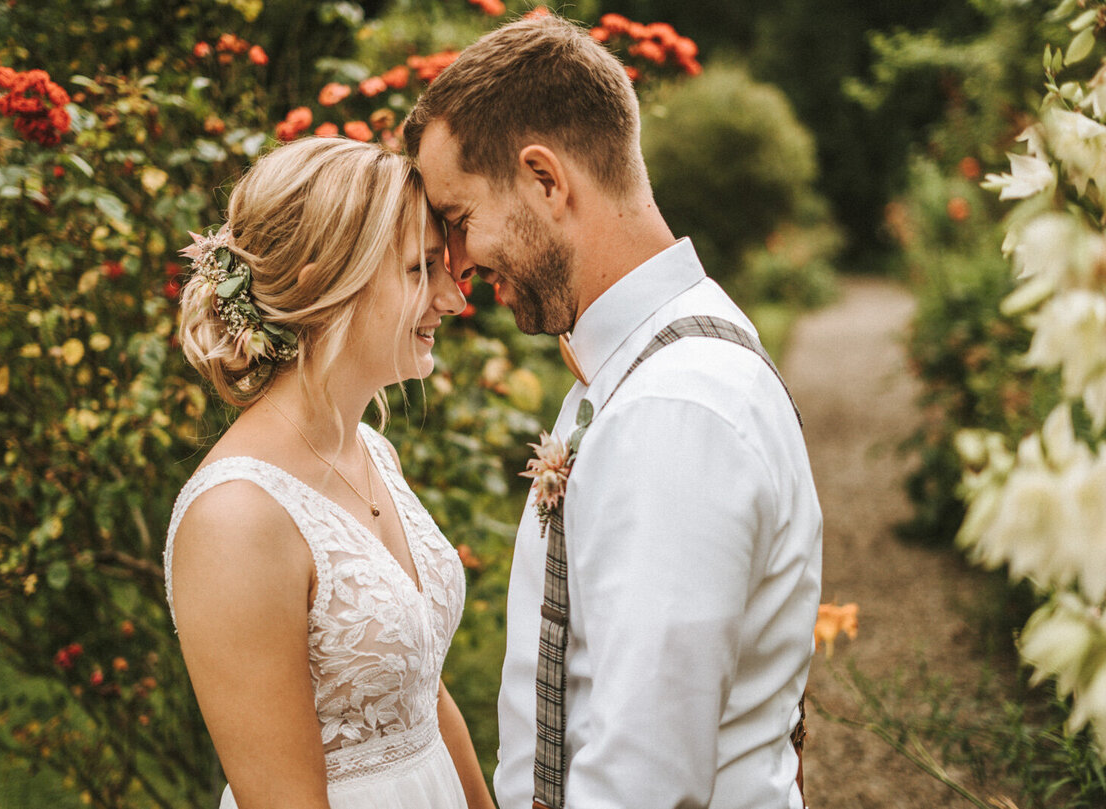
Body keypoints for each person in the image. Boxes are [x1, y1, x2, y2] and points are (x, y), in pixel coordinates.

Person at [406, 14, 823, 809]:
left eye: (460, 220)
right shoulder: (659, 362)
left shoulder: (674, 408)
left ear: (545, 179)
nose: (455, 264)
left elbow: (644, 776)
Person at [162, 136, 495, 809]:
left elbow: (423, 692)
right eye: (419, 270)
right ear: (324, 281)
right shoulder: (235, 517)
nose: (453, 300)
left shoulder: (373, 451)